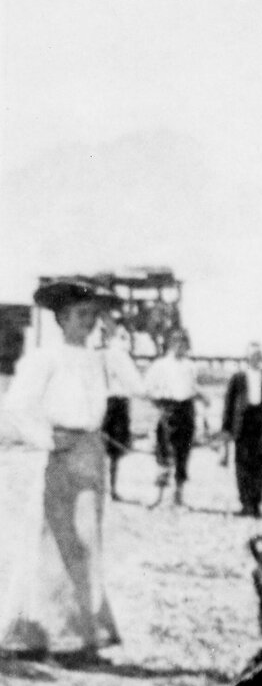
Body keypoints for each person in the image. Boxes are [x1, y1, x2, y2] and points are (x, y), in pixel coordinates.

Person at [0, 279, 128, 661]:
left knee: (89, 543)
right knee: (57, 540)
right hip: (62, 452)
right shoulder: (45, 358)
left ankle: (82, 634)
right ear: (62, 319)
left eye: (93, 315)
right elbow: (17, 406)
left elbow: (134, 386)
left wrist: (115, 340)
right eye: (81, 315)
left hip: (92, 450)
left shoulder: (99, 358)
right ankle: (41, 634)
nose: (88, 323)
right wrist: (46, 438)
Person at [222, 342, 262, 518]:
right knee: (242, 464)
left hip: (260, 424)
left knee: (259, 464)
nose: (255, 358)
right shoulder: (237, 378)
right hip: (242, 424)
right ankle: (245, 504)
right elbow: (228, 405)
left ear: (261, 358)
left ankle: (256, 505)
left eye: (258, 355)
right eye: (252, 355)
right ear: (247, 358)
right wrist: (226, 428)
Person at [146, 328, 202, 507]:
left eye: (184, 343)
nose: (180, 346)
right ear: (170, 343)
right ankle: (159, 495)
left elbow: (193, 389)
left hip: (186, 411)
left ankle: (178, 496)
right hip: (168, 409)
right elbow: (148, 388)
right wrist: (159, 404)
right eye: (177, 342)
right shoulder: (160, 365)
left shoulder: (191, 366)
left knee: (183, 454)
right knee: (164, 453)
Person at [97, 325, 145, 502]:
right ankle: (111, 489)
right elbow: (134, 382)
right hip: (115, 403)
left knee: (105, 446)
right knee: (114, 448)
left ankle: (106, 488)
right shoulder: (117, 353)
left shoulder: (98, 353)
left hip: (103, 402)